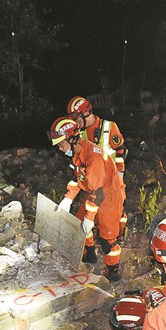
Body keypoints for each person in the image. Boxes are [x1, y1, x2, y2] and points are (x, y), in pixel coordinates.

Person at [47, 116, 126, 282]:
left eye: (61, 144)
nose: (60, 149)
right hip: (97, 193)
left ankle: (113, 271)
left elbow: (98, 194)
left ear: (72, 139)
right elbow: (78, 179)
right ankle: (90, 253)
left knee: (108, 240)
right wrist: (68, 199)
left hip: (110, 197)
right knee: (79, 222)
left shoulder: (94, 159)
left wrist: (90, 217)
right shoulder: (80, 152)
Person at [67, 96, 129, 237]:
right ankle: (90, 243)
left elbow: (120, 151)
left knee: (116, 213)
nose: (75, 123)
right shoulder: (79, 133)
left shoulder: (109, 127)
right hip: (94, 182)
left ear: (86, 113)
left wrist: (119, 174)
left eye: (76, 118)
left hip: (112, 181)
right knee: (86, 216)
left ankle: (118, 235)